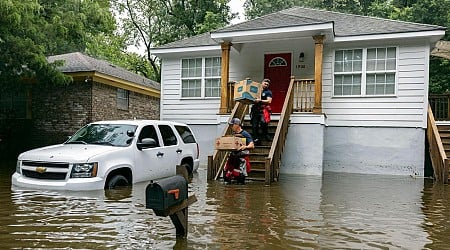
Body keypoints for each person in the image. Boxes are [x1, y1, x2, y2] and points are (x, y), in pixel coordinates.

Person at [223, 118, 255, 184]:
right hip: (233, 157)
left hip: (241, 158)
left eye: (232, 125)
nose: (231, 127)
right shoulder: (233, 134)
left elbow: (252, 145)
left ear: (237, 125)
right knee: (227, 175)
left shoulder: (245, 134)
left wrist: (245, 147)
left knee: (241, 177)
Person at [251, 78, 273, 143]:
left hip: (262, 110)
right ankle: (256, 138)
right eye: (265, 83)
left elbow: (269, 101)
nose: (266, 85)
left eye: (267, 84)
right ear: (262, 83)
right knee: (254, 125)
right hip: (255, 110)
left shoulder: (268, 92)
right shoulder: (256, 90)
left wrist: (260, 100)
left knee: (263, 122)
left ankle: (265, 134)